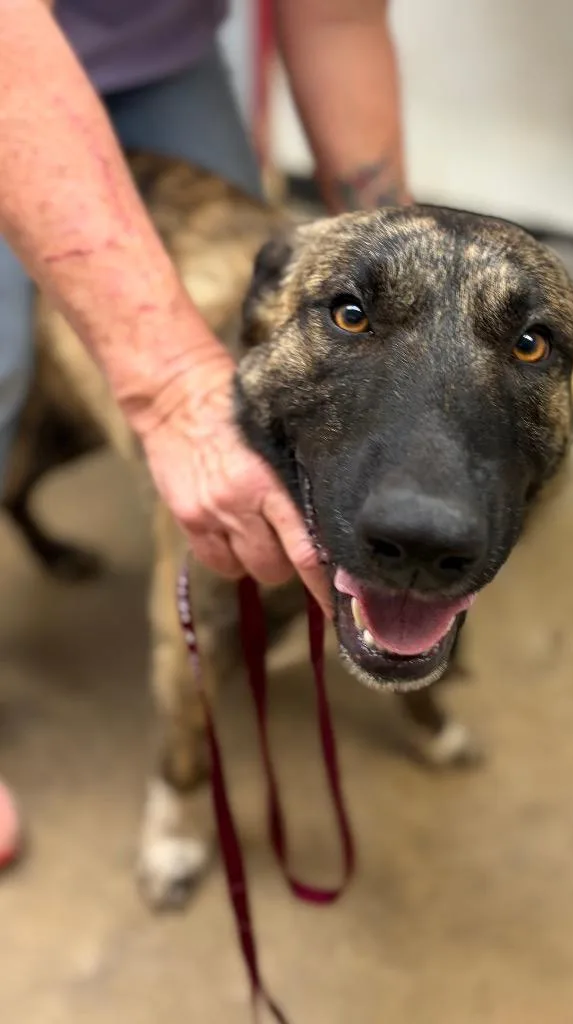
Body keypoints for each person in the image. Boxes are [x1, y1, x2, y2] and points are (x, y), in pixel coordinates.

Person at [0, 0, 411, 870]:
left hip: (155, 47)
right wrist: (173, 390)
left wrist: (406, 284)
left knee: (262, 305)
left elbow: (335, 17)